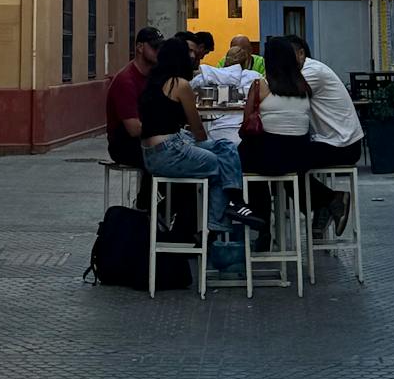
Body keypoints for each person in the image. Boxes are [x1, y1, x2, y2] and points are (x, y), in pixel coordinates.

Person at [138, 36, 266, 233]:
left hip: (152, 152)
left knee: (226, 146)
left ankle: (235, 201)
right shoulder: (179, 85)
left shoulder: (153, 83)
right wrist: (204, 147)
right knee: (219, 163)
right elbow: (198, 129)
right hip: (170, 151)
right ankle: (219, 223)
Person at [236, 36, 313, 238]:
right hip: (299, 159)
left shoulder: (260, 85)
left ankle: (258, 219)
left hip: (268, 161)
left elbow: (246, 124)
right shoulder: (304, 87)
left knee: (245, 155)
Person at [288, 34, 362, 236]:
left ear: (301, 53)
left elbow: (287, 97)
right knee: (285, 166)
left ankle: (331, 200)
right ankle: (325, 206)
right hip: (330, 141)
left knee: (285, 165)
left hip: (343, 145)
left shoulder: (312, 71)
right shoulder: (305, 70)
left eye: (287, 55)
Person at [106, 26, 163, 169]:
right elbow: (134, 129)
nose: (159, 51)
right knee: (172, 158)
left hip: (146, 141)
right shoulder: (126, 81)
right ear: (140, 47)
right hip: (125, 146)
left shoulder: (153, 76)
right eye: (155, 47)